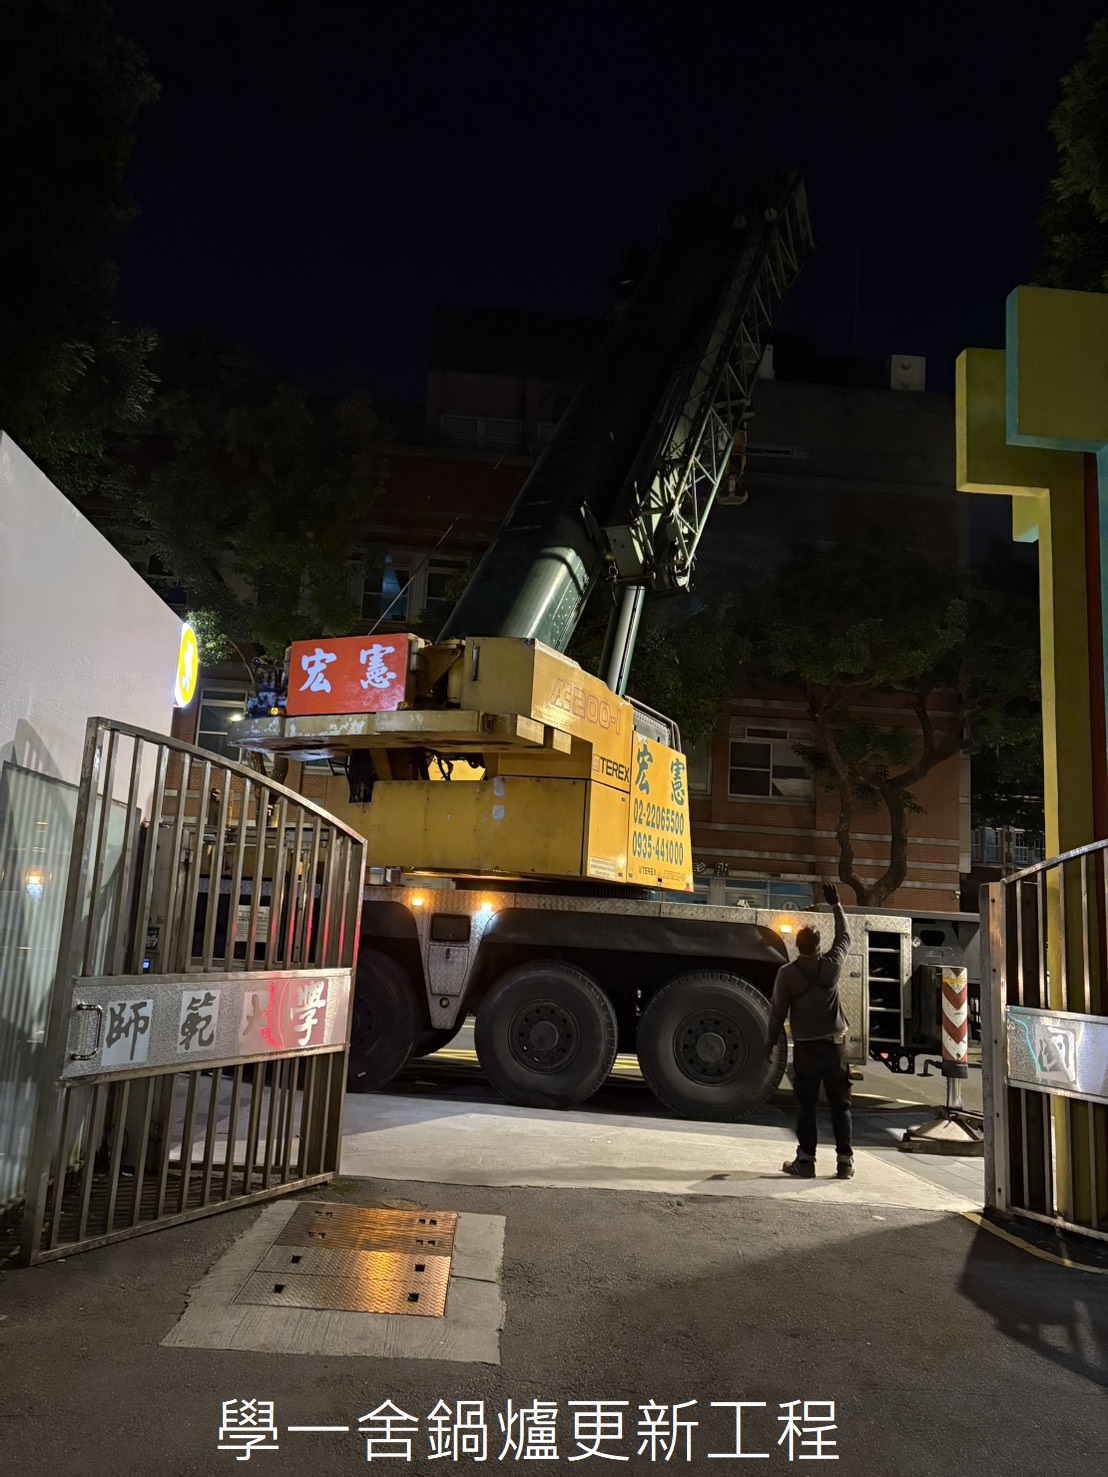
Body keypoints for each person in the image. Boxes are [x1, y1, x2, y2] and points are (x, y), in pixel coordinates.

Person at [765, 881, 854, 1179]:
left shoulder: (787, 975)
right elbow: (845, 937)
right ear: (818, 946)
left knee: (807, 1107)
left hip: (806, 1049)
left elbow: (777, 1012)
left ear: (797, 946)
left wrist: (769, 1043)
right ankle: (844, 1163)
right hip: (836, 1047)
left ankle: (805, 1162)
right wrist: (836, 905)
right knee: (840, 1106)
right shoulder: (832, 966)